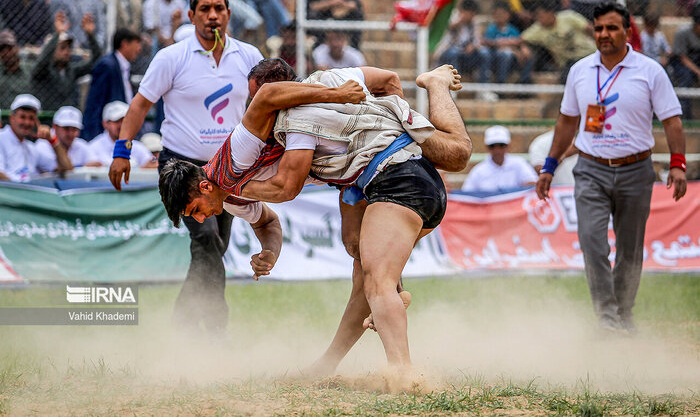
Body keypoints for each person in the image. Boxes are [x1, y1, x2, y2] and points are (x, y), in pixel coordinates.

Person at [158, 63, 470, 372]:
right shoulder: (233, 187)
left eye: (195, 210)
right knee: (358, 249)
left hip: (395, 173)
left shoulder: (270, 135)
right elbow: (267, 222)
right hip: (372, 177)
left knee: (377, 283)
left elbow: (286, 184)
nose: (200, 219)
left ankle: (402, 372)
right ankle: (329, 363)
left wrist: (349, 101)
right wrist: (269, 252)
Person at [108, 0, 264, 335]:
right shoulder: (171, 57)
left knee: (214, 249)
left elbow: (266, 103)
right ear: (191, 15)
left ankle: (182, 323)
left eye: (219, 9)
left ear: (228, 14)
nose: (213, 16)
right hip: (181, 166)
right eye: (205, 9)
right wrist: (122, 150)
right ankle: (214, 329)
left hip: (227, 169)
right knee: (206, 237)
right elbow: (140, 105)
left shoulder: (249, 57)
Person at [536, 1, 687, 334]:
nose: (604, 34)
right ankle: (606, 317)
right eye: (599, 28)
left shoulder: (650, 71)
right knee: (592, 242)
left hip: (636, 170)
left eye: (612, 28)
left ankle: (624, 312)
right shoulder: (580, 71)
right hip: (590, 168)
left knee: (630, 248)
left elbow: (672, 121)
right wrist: (550, 165)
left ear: (627, 30)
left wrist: (677, 164)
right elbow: (566, 121)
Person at [30, 10, 101, 111]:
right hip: (48, 119)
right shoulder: (43, 71)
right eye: (62, 48)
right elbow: (42, 62)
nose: (67, 51)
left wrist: (90, 36)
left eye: (69, 48)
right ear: (52, 50)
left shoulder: (71, 70)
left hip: (68, 119)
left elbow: (96, 62)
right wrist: (57, 34)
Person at [82, 28, 142, 140]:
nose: (139, 49)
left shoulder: (124, 67)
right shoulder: (107, 66)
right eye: (136, 44)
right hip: (106, 134)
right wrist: (93, 136)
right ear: (125, 44)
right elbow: (95, 104)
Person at [522, 0, 596, 83]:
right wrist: (523, 46)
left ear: (550, 12)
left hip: (589, 54)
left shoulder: (568, 17)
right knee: (566, 78)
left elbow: (590, 29)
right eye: (536, 16)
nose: (538, 19)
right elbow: (520, 40)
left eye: (540, 15)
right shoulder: (538, 28)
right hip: (570, 62)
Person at [0, 94, 69, 181]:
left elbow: (66, 169)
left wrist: (53, 140)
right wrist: (24, 189)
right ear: (12, 118)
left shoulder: (31, 148)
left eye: (31, 118)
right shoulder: (1, 138)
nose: (27, 123)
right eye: (22, 117)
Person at [436, 0, 493, 100]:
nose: (471, 16)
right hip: (449, 56)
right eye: (469, 13)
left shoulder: (473, 23)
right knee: (453, 53)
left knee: (484, 53)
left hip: (466, 57)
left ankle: (483, 89)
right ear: (462, 11)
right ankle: (452, 89)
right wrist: (459, 21)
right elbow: (447, 35)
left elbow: (477, 42)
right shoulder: (453, 18)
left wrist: (473, 46)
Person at [461, 125, 538, 193]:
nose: (497, 150)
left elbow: (533, 184)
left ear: (508, 146)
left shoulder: (519, 164)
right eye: (493, 146)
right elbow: (467, 194)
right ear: (487, 148)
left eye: (501, 145)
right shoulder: (478, 171)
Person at [481, 1, 534, 84]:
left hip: (513, 59)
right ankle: (500, 82)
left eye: (503, 13)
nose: (500, 16)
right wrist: (512, 47)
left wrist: (523, 48)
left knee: (528, 55)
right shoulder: (492, 29)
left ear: (508, 15)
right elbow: (489, 42)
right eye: (497, 14)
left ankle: (524, 81)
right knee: (505, 54)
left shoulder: (513, 29)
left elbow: (519, 41)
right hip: (496, 59)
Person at [89, 101, 154, 168]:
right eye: (117, 121)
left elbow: (152, 163)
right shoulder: (93, 147)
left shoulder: (138, 147)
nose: (121, 125)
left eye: (125, 121)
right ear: (105, 124)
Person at [35, 105, 100, 169]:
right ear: (55, 126)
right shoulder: (43, 145)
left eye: (74, 129)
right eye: (66, 128)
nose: (70, 134)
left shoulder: (80, 144)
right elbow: (63, 169)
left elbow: (97, 164)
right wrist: (83, 167)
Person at [670, 12, 700, 119]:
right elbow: (682, 57)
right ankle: (685, 115)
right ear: (697, 25)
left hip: (696, 64)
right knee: (685, 78)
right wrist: (698, 72)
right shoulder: (682, 32)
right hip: (681, 64)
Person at [0, 30, 32, 109]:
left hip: (26, 118)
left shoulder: (30, 69)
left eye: (9, 49)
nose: (6, 53)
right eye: (2, 50)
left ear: (17, 48)